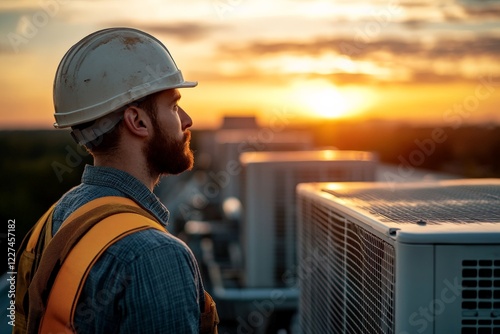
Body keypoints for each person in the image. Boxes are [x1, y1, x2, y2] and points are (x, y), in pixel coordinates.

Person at [19, 27, 216, 333]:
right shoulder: (155, 256)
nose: (187, 120)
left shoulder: (56, 217)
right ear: (137, 121)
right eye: (174, 106)